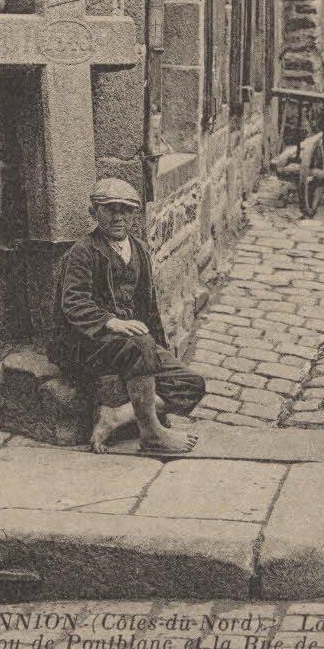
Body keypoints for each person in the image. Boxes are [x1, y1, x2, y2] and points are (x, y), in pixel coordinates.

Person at [50, 178, 205, 455]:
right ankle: (151, 434)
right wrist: (112, 322)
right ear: (93, 212)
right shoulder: (83, 252)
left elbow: (148, 308)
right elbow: (73, 302)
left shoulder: (141, 250)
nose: (119, 217)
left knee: (190, 384)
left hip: (132, 344)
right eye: (110, 209)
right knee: (140, 344)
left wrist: (159, 350)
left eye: (127, 210)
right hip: (90, 343)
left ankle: (116, 416)